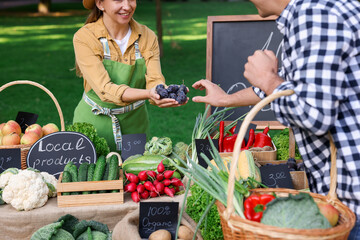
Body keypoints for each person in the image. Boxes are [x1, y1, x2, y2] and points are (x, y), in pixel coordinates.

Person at [192, 0, 360, 238]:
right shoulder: (317, 11)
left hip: (352, 198)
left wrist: (268, 79)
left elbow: (315, 114)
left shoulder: (316, 16)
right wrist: (226, 99)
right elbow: (294, 89)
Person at [73, 0, 186, 152]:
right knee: (93, 175)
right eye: (118, 0)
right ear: (100, 4)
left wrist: (162, 93)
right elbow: (105, 89)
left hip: (135, 124)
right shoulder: (85, 37)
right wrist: (148, 94)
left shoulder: (147, 36)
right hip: (94, 124)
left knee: (134, 173)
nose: (127, 6)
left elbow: (155, 79)